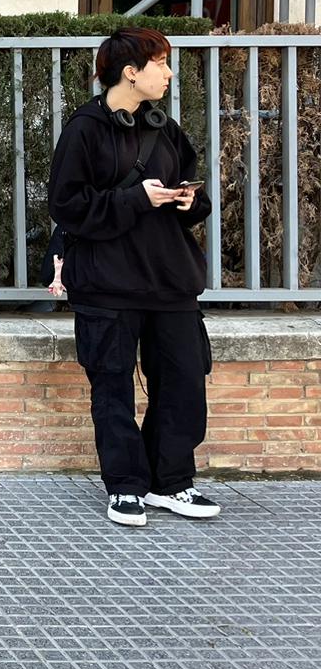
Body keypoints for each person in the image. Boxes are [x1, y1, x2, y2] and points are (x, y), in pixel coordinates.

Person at [48, 27, 218, 528]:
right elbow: (67, 205)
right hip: (107, 282)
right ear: (130, 71)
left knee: (185, 381)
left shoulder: (164, 127)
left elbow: (190, 185)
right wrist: (135, 199)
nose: (168, 73)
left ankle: (172, 483)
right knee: (113, 386)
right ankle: (125, 487)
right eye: (161, 63)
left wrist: (189, 201)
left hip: (169, 278)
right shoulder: (85, 128)